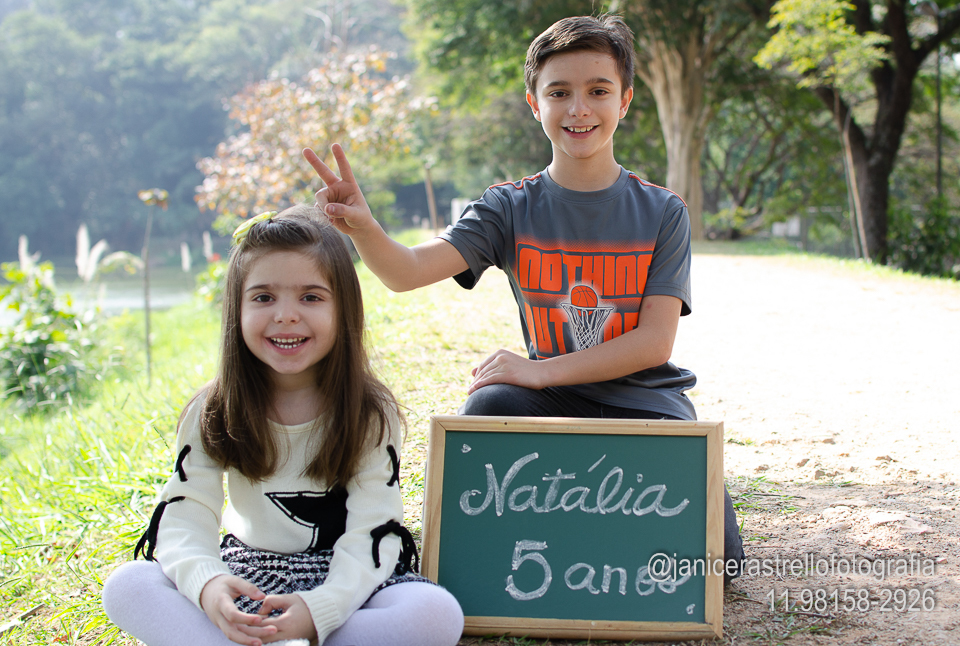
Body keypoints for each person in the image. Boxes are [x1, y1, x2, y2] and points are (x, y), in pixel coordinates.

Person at [303, 15, 743, 578]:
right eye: (559, 93)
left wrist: (537, 370)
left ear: (625, 100)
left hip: (645, 403)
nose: (578, 109)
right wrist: (364, 228)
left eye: (598, 91)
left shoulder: (663, 211)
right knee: (487, 407)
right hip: (549, 402)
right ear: (535, 104)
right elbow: (406, 271)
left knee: (720, 566)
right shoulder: (508, 207)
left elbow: (654, 344)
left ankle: (590, 531)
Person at [102, 205, 464, 646]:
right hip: (248, 576)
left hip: (347, 578)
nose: (286, 315)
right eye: (263, 298)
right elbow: (185, 513)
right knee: (128, 585)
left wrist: (320, 608)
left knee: (436, 615)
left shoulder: (369, 410)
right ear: (236, 310)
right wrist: (208, 584)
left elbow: (375, 527)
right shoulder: (213, 408)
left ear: (344, 309)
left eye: (311, 297)